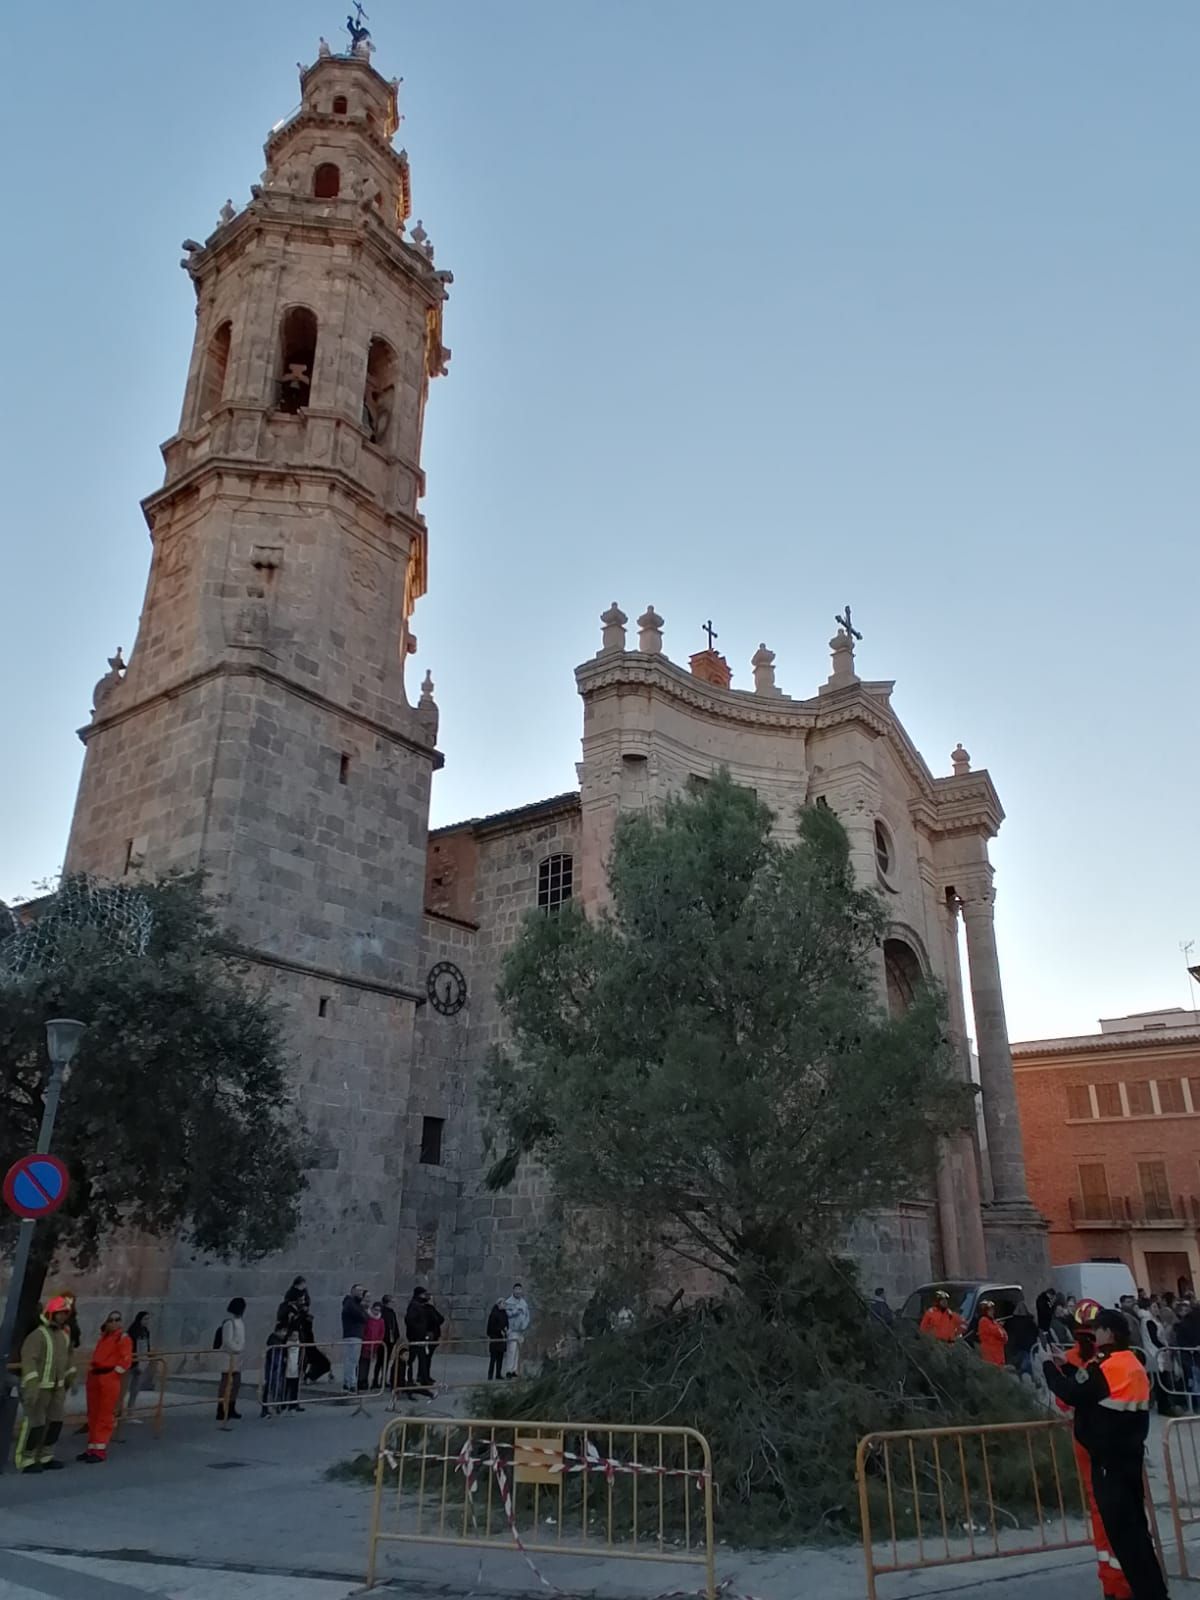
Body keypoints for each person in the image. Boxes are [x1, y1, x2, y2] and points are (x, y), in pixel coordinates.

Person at [1044, 1308, 1168, 1600]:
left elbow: (1073, 1393)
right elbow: (1096, 1391)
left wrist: (1049, 1367)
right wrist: (1071, 1367)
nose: (1094, 1335)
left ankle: (1138, 1593)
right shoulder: (1131, 1363)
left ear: (1109, 1333)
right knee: (1138, 1536)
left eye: (1098, 1329)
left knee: (1123, 1539)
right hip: (1130, 1460)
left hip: (1107, 1465)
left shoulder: (1107, 1367)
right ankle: (1154, 1592)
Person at [14, 1295, 76, 1474]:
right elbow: (29, 1361)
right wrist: (32, 1385)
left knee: (55, 1422)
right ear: (51, 1313)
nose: (63, 1317)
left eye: (65, 1313)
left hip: (58, 1387)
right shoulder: (37, 1335)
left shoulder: (63, 1336)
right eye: (60, 1313)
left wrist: (71, 1377)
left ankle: (46, 1456)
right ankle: (26, 1459)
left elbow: (68, 1358)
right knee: (35, 1424)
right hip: (40, 1387)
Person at [78, 1311, 133, 1464]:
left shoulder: (123, 1338)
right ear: (107, 1322)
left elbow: (126, 1359)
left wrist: (114, 1373)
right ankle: (92, 1447)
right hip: (96, 1376)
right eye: (111, 1320)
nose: (114, 1322)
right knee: (93, 1414)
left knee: (105, 1414)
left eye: (117, 1319)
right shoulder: (104, 1338)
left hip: (108, 1377)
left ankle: (99, 1450)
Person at [404, 1287, 444, 1392]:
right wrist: (420, 1332)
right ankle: (410, 1379)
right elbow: (410, 1321)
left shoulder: (421, 1306)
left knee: (423, 1359)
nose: (426, 1297)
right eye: (423, 1295)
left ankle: (423, 1378)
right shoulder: (414, 1306)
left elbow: (439, 1319)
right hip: (416, 1337)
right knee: (412, 1359)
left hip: (421, 1337)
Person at [216, 1297, 246, 1423]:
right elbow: (227, 1341)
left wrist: (240, 1348)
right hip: (228, 1356)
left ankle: (231, 1407)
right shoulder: (229, 1323)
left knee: (236, 1383)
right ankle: (221, 1409)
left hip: (237, 1357)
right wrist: (237, 1348)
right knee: (226, 1383)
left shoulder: (240, 1322)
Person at [120, 1311, 153, 1423]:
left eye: (148, 1319)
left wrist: (146, 1359)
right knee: (123, 1390)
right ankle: (118, 1412)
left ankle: (130, 1413)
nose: (147, 1321)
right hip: (131, 1363)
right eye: (145, 1319)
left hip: (141, 1362)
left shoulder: (146, 1332)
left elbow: (147, 1346)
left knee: (135, 1390)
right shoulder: (133, 1331)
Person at [341, 1283, 368, 1393]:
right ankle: (350, 1383)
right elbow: (363, 1317)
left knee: (351, 1360)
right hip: (353, 1334)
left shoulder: (355, 1304)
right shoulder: (351, 1303)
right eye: (359, 1291)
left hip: (355, 1334)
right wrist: (363, 1312)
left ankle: (349, 1382)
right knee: (352, 1360)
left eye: (362, 1291)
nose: (361, 1293)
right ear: (352, 1291)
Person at [261, 1317, 289, 1417]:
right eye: (283, 1331)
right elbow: (275, 1357)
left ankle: (275, 1407)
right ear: (278, 1331)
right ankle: (267, 1409)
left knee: (277, 1388)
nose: (285, 1334)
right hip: (273, 1369)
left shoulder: (280, 1341)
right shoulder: (274, 1341)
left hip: (278, 1368)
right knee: (270, 1388)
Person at [503, 1283, 531, 1376]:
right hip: (512, 1330)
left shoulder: (523, 1303)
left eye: (520, 1289)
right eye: (516, 1289)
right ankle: (509, 1370)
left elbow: (527, 1315)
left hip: (521, 1330)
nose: (518, 1291)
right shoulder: (508, 1302)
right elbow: (507, 1314)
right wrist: (516, 1311)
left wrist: (525, 1324)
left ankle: (515, 1370)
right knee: (511, 1350)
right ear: (513, 1290)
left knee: (518, 1351)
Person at [1007, 1299, 1039, 1379]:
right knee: (1028, 1372)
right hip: (1029, 1349)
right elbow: (1036, 1333)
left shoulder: (1011, 1322)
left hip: (1016, 1349)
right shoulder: (1030, 1321)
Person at [974, 1300, 1008, 1368]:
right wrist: (999, 1326)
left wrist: (998, 1326)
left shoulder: (993, 1322)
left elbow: (1005, 1338)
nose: (992, 1312)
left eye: (992, 1310)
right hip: (991, 1358)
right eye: (990, 1310)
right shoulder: (984, 1321)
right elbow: (998, 1333)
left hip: (998, 1358)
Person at [361, 1301, 387, 1389]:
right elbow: (364, 1330)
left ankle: (366, 1380)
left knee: (369, 1363)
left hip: (374, 1345)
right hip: (366, 1344)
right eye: (375, 1309)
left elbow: (381, 1333)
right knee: (363, 1363)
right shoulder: (368, 1318)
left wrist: (377, 1343)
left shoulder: (381, 1320)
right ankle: (362, 1380)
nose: (376, 1312)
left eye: (378, 1310)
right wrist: (365, 1340)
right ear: (372, 1309)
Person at [381, 1293, 402, 1387]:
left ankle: (384, 1379)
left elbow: (395, 1325)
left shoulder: (392, 1312)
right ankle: (378, 1380)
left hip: (391, 1340)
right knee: (380, 1361)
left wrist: (397, 1336)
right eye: (392, 1302)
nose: (394, 1304)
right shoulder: (383, 1312)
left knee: (386, 1360)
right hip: (384, 1340)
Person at [486, 1300, 509, 1380]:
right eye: (503, 1303)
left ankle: (498, 1374)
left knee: (500, 1358)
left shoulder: (504, 1313)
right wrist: (499, 1331)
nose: (504, 1305)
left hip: (502, 1339)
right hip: (495, 1338)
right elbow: (491, 1327)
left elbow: (506, 1323)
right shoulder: (494, 1314)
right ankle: (490, 1375)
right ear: (498, 1304)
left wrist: (506, 1329)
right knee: (493, 1358)